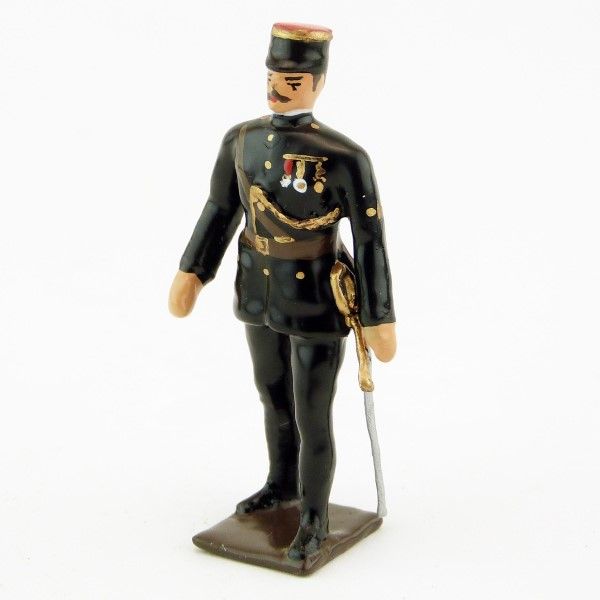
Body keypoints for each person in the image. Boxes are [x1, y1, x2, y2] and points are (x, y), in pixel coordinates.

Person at [169, 22, 396, 560]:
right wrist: (192, 270)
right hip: (259, 290)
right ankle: (281, 485)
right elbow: (220, 209)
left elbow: (370, 240)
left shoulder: (344, 156)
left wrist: (379, 316)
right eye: (273, 77)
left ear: (318, 83)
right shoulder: (241, 140)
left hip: (315, 295)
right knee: (273, 398)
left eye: (292, 81)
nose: (279, 88)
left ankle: (315, 517)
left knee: (313, 412)